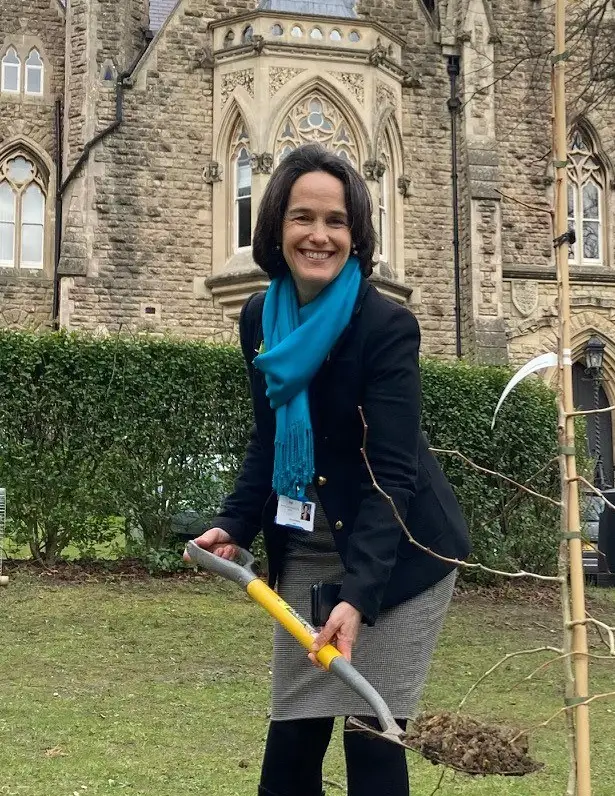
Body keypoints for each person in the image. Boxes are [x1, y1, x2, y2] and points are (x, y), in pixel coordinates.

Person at [186, 143, 471, 796]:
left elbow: (393, 475)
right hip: (311, 546)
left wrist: (359, 596)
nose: (318, 234)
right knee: (291, 743)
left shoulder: (385, 326)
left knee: (370, 735)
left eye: (336, 221)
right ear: (277, 228)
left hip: (400, 554)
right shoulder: (260, 316)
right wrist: (234, 523)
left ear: (356, 233)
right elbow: (270, 436)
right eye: (302, 217)